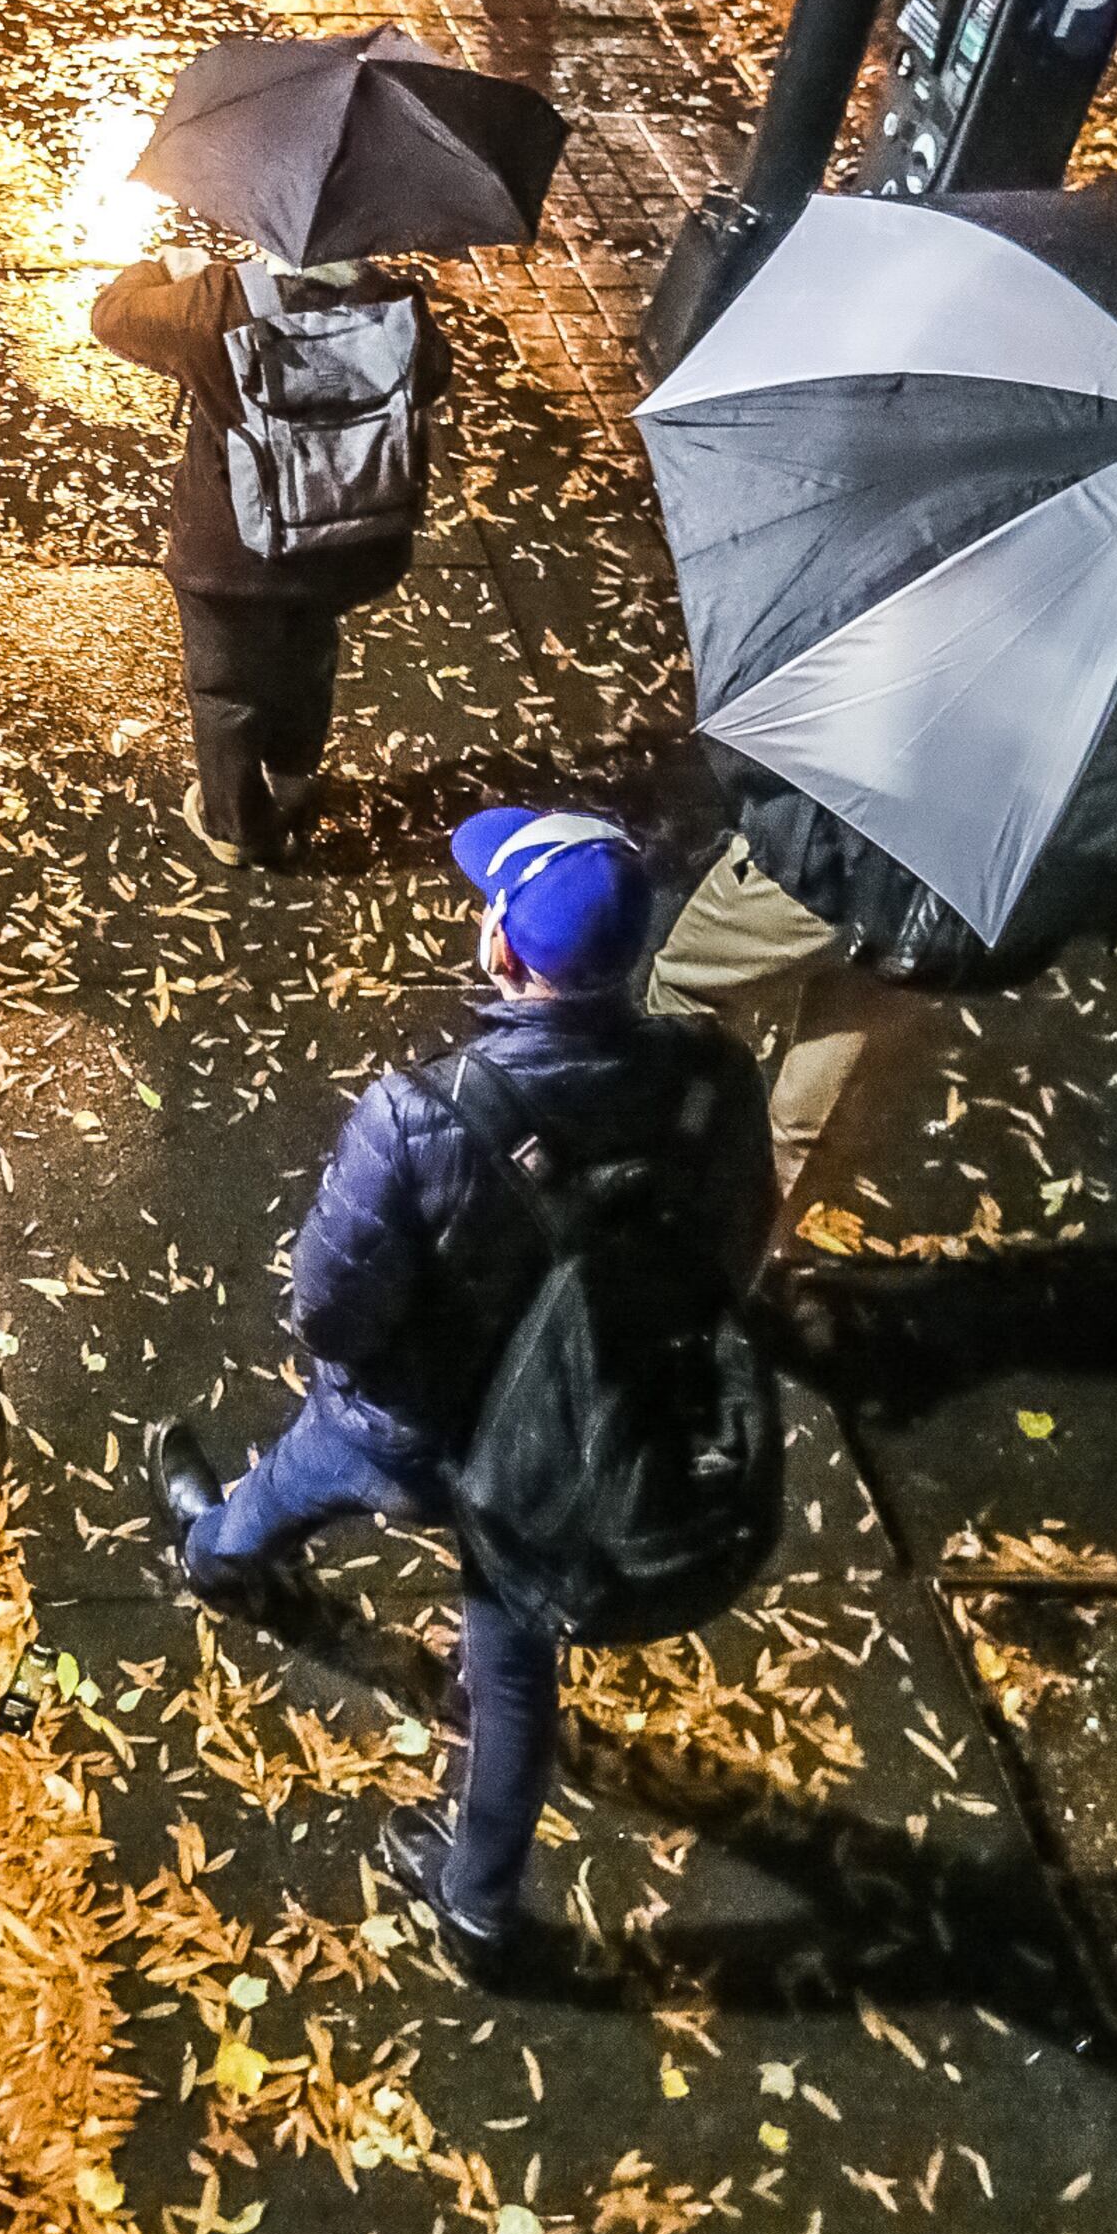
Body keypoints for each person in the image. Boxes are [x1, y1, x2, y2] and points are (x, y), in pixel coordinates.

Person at [148, 807, 775, 1973]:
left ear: (503, 951)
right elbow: (735, 1249)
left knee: (295, 1474)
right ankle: (480, 1903)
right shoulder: (712, 1082)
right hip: (572, 1444)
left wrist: (360, 1377)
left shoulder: (420, 1113)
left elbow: (330, 1307)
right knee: (513, 1669)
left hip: (417, 1423)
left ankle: (218, 1560)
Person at [89, 240, 453, 866]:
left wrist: (163, 269)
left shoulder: (215, 304)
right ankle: (293, 783)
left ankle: (234, 826)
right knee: (308, 660)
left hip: (233, 556)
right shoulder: (395, 303)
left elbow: (113, 317)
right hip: (345, 542)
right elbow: (434, 375)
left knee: (226, 688)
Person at [644, 753, 1049, 1195]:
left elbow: (754, 752)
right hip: (936, 902)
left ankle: (664, 1177)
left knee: (684, 993)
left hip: (821, 856)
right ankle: (757, 1231)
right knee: (806, 1115)